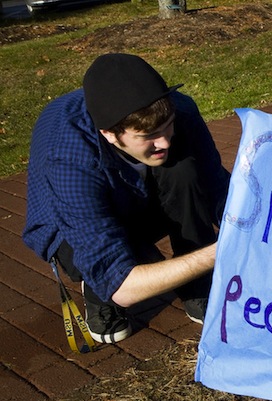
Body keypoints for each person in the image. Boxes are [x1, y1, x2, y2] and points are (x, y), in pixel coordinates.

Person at [23, 53, 231, 344]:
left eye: (168, 125)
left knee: (184, 167)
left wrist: (249, 222)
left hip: (141, 196)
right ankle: (97, 291)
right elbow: (123, 286)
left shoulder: (180, 110)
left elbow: (216, 186)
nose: (165, 141)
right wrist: (220, 251)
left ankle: (197, 285)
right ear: (109, 134)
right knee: (107, 268)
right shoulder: (69, 157)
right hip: (71, 226)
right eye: (149, 135)